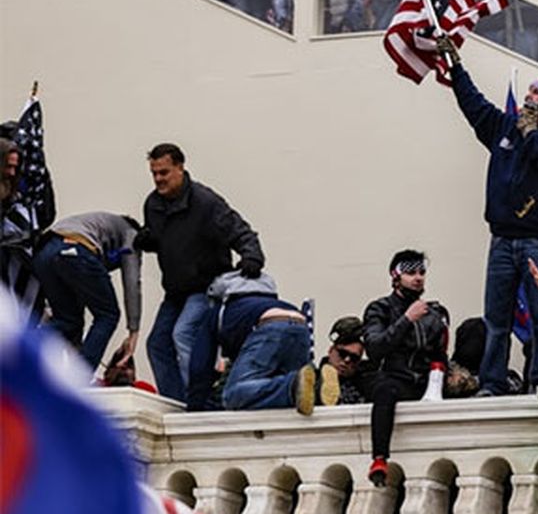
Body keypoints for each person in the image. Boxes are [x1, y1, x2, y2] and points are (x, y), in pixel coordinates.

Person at [447, 54, 538, 395]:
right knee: (496, 319)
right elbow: (475, 108)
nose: (526, 104)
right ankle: (492, 382)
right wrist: (455, 68)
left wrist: (531, 131)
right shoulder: (506, 127)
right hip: (501, 239)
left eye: (534, 99)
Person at [138, 143, 264, 410]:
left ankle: (201, 401)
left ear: (180, 168)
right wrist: (148, 240)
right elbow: (160, 236)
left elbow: (240, 231)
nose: (159, 179)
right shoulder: (153, 204)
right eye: (154, 173)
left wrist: (252, 257)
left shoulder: (206, 203)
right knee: (157, 344)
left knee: (183, 333)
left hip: (205, 286)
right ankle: (176, 403)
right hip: (175, 291)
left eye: (164, 172)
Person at [362, 250, 450, 487]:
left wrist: (439, 378)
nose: (418, 278)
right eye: (411, 273)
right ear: (395, 275)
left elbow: (439, 352)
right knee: (384, 391)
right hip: (394, 378)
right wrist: (406, 320)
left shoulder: (434, 314)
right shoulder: (379, 308)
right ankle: (379, 459)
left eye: (422, 272)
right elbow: (375, 348)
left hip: (425, 381)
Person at [30, 211, 141, 372]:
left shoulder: (97, 224)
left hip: (44, 254)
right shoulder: (131, 233)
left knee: (68, 320)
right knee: (108, 315)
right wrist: (133, 330)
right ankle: (80, 377)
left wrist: (79, 348)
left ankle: (14, 349)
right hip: (75, 249)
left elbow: (80, 288)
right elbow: (132, 280)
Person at [213, 271, 334, 414]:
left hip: (271, 325)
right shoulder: (268, 300)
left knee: (232, 394)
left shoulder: (222, 308)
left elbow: (198, 363)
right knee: (300, 393)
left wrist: (195, 407)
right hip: (300, 324)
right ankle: (318, 386)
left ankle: (292, 385)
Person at [319, 316, 371, 405]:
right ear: (331, 351)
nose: (347, 360)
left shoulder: (365, 383)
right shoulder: (314, 380)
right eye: (342, 354)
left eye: (354, 358)